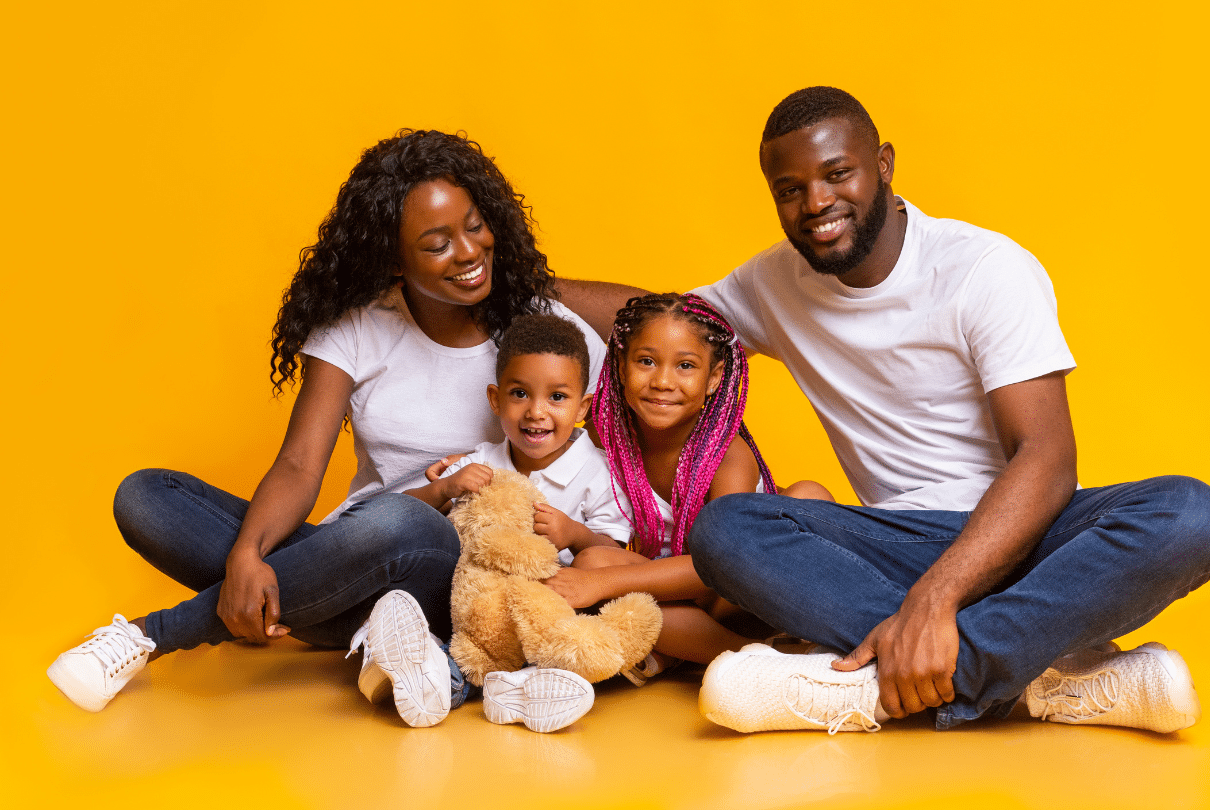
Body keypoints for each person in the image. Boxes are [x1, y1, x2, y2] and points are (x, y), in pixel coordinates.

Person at [558, 87, 1210, 735]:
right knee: (727, 529)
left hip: (1025, 538)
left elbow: (1048, 461)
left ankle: (867, 683)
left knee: (1191, 514)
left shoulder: (983, 269)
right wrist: (522, 281)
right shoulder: (777, 283)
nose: (816, 203)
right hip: (888, 550)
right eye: (789, 191)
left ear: (883, 163)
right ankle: (1033, 674)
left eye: (836, 174)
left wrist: (935, 601)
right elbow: (661, 321)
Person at [48, 129, 606, 731]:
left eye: (475, 226)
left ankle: (153, 634)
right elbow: (298, 466)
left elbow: (649, 359)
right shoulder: (357, 329)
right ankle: (360, 635)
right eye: (437, 244)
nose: (469, 252)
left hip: (458, 581)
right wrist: (247, 556)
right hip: (356, 558)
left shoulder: (540, 331)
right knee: (146, 498)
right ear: (394, 259)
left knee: (402, 519)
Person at [543, 292, 830, 682]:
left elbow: (729, 565)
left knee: (809, 496)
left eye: (685, 366)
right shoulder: (604, 430)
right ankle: (728, 656)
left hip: (745, 595)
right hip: (672, 592)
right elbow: (536, 452)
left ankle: (731, 653)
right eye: (646, 361)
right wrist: (467, 467)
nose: (662, 382)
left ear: (713, 379)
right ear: (621, 367)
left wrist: (600, 584)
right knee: (592, 561)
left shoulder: (727, 455)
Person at [419, 312, 630, 731]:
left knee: (582, 630)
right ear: (495, 400)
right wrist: (443, 490)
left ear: (583, 406)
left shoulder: (598, 471)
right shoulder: (480, 462)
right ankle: (431, 675)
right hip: (478, 612)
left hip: (553, 608)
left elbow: (615, 553)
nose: (536, 412)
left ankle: (521, 683)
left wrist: (575, 533)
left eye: (557, 397)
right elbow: (407, 517)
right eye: (520, 394)